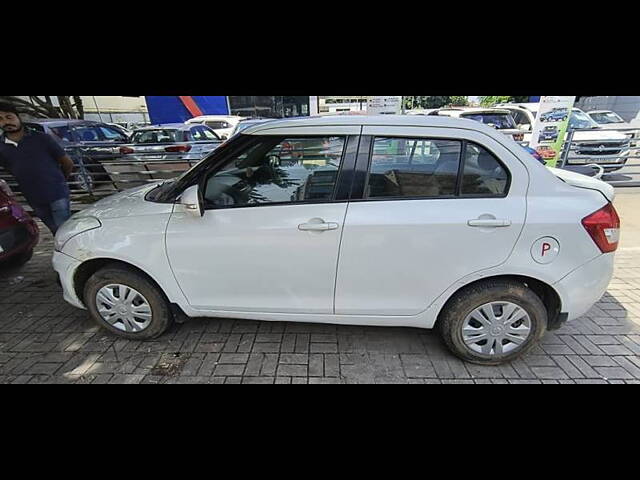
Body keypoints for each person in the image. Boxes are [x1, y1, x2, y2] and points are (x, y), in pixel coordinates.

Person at [0, 103, 74, 234]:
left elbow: (67, 162)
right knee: (54, 230)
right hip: (33, 197)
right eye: (0, 119)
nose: (6, 122)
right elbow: (9, 168)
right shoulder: (1, 147)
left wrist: (59, 180)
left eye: (9, 117)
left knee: (64, 230)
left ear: (18, 117)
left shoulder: (41, 138)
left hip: (57, 193)